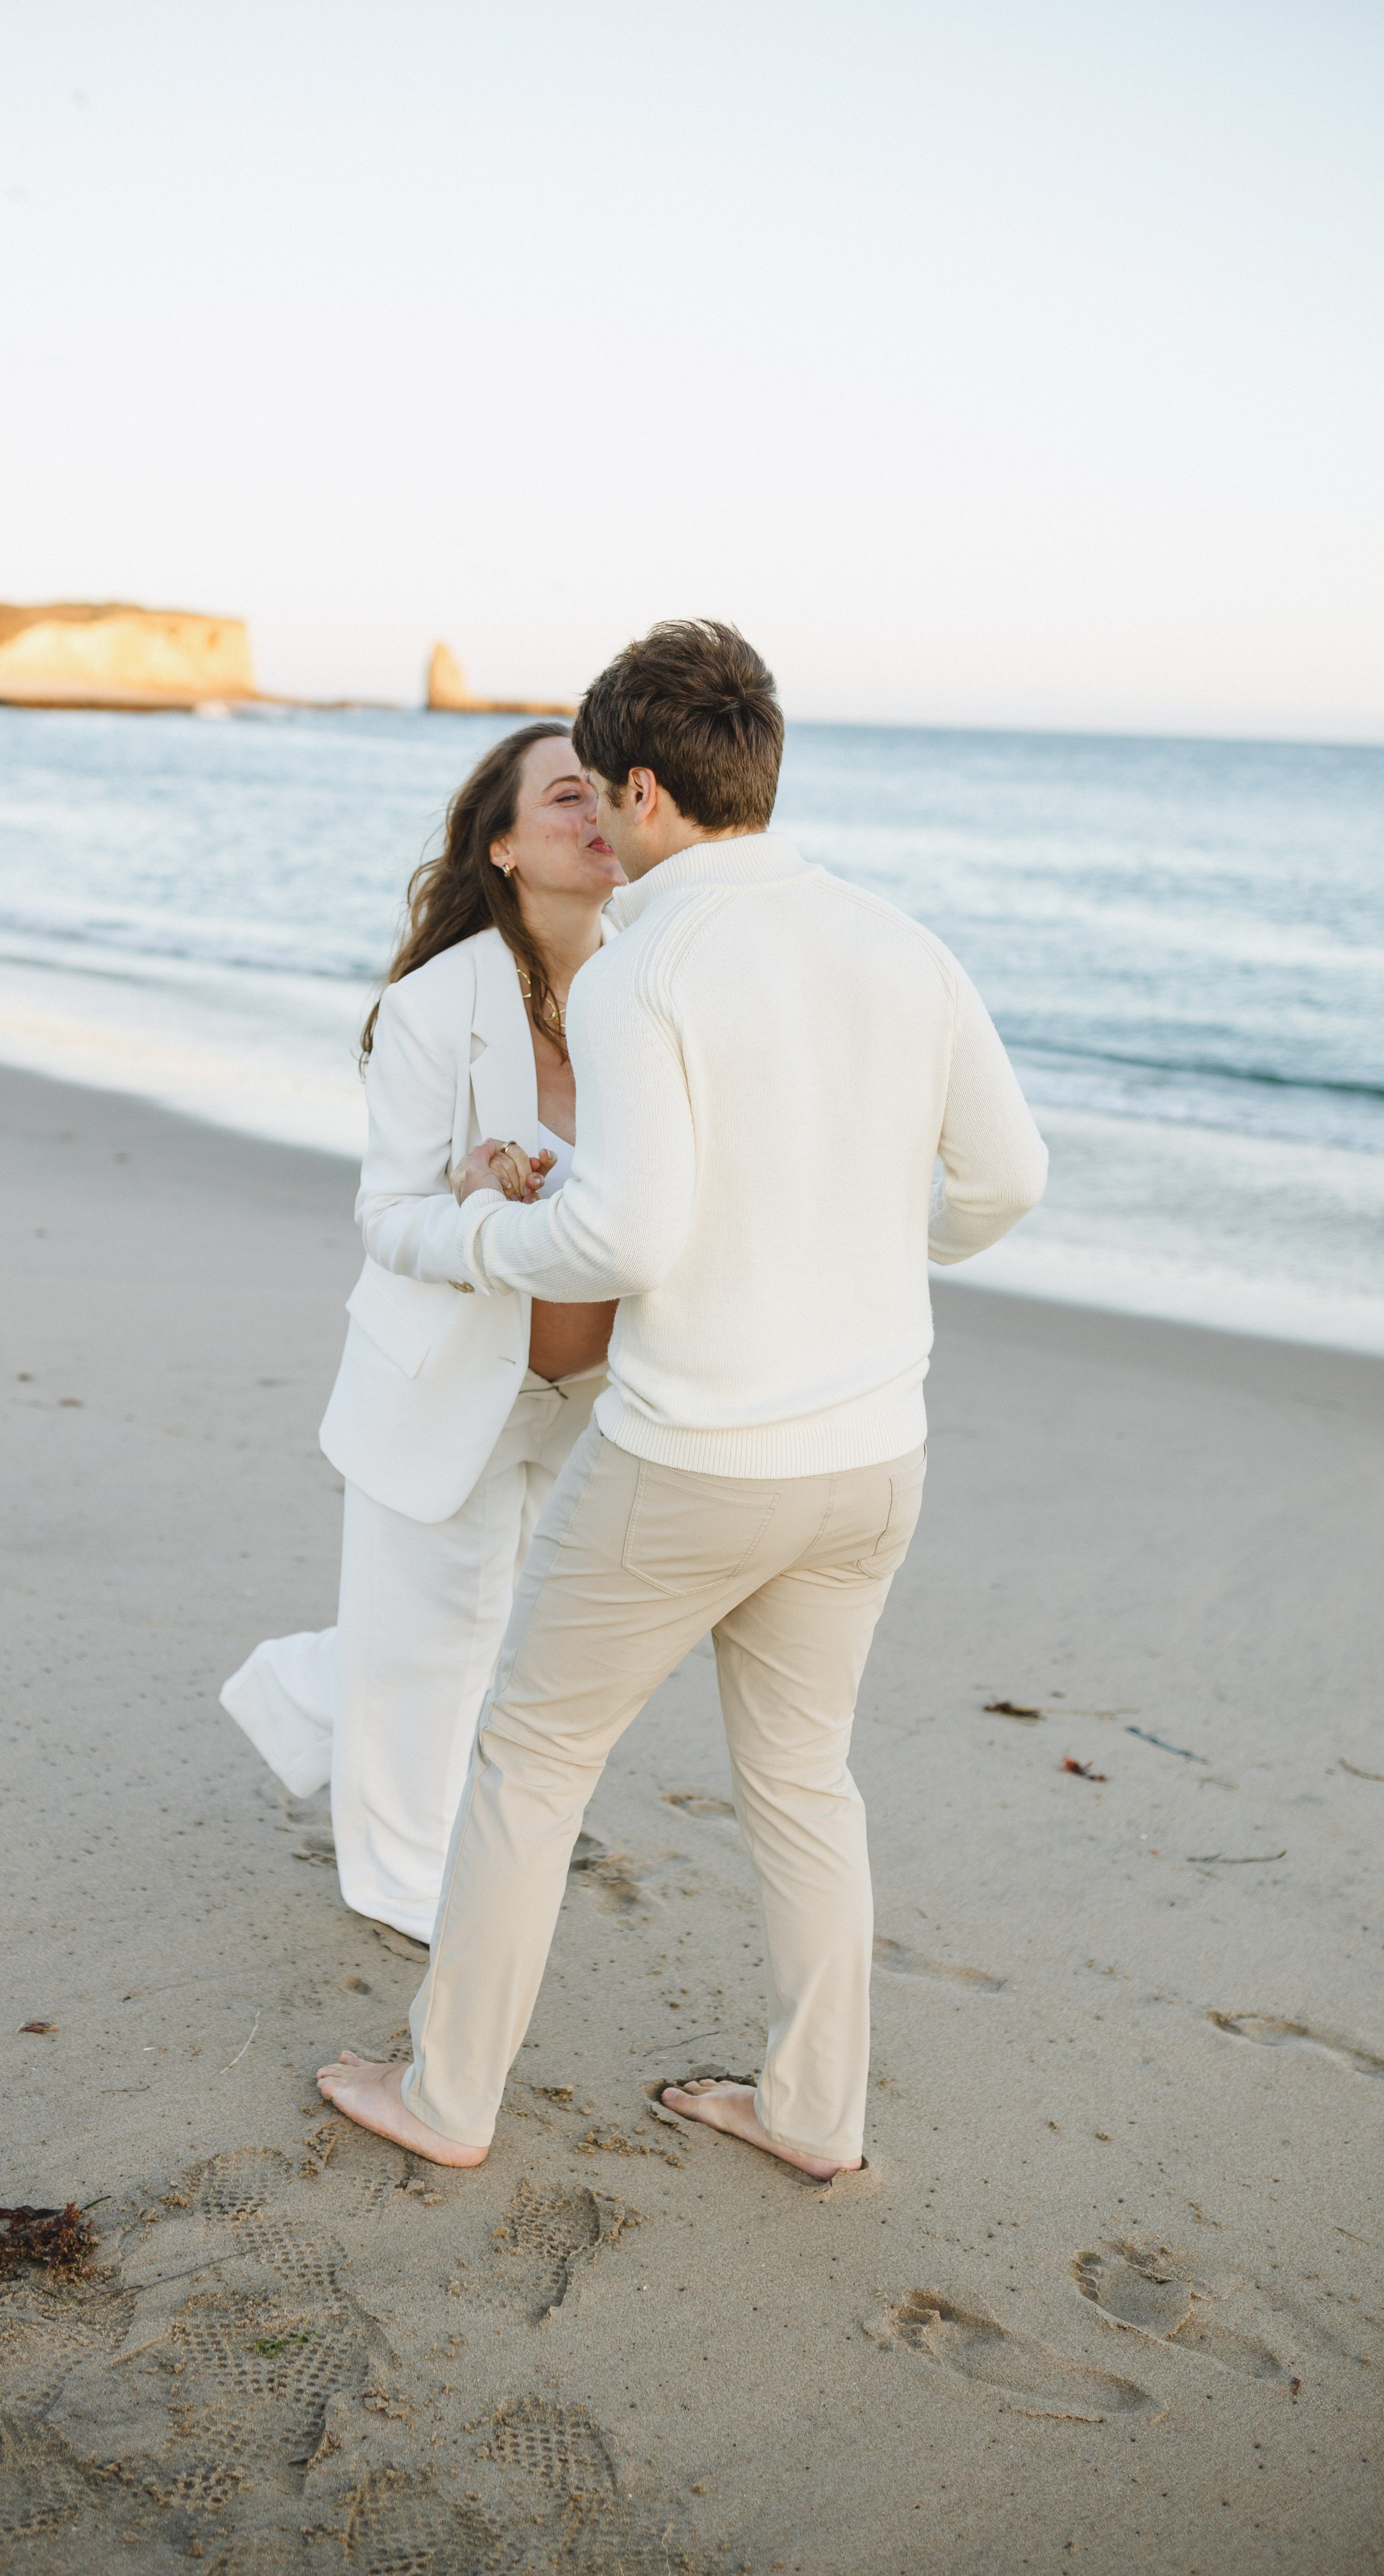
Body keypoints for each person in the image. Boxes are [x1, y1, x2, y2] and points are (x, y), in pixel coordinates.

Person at [318, 619, 1049, 2179]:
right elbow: (1005, 1179)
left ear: (643, 790)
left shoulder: (647, 962)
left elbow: (631, 1236)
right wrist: (864, 1254)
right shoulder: (898, 942)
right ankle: (809, 2115)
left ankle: (444, 2100)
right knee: (801, 1784)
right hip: (873, 1455)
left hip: (695, 1457)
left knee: (529, 1762)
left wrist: (498, 1224)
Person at [220, 721, 623, 1941]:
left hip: (598, 1389)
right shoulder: (433, 1007)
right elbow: (386, 1218)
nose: (595, 810)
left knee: (499, 1633)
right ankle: (398, 1884)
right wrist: (477, 1213)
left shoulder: (650, 981)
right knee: (430, 1650)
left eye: (607, 789)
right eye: (564, 795)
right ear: (502, 845)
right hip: (448, 1373)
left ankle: (303, 1681)